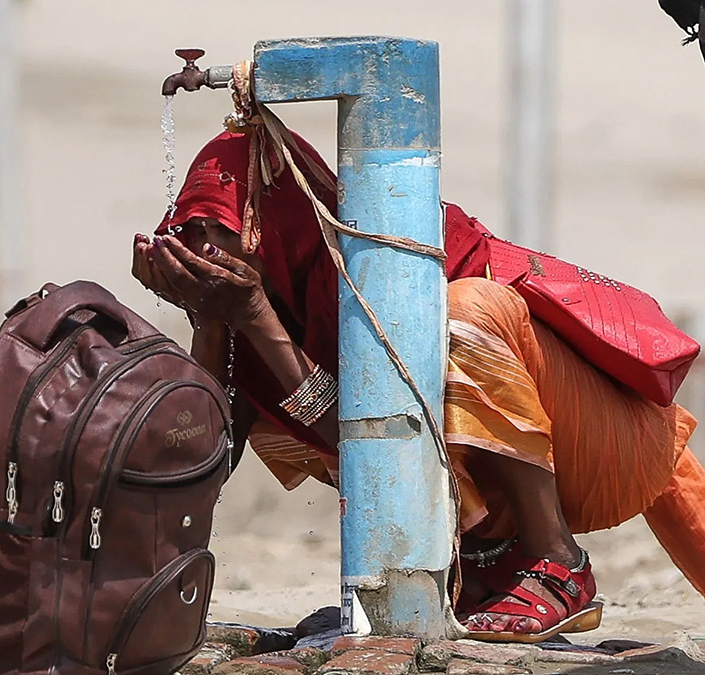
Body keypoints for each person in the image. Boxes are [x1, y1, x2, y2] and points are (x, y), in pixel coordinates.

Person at [132, 128, 705, 642]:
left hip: (610, 440)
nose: (200, 249)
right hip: (532, 464)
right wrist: (209, 322)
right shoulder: (261, 311)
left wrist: (253, 314)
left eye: (218, 230)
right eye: (187, 229)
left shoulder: (378, 257)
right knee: (274, 410)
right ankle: (477, 566)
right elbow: (203, 460)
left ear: (274, 223)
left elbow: (383, 425)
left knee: (465, 316)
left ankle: (559, 563)